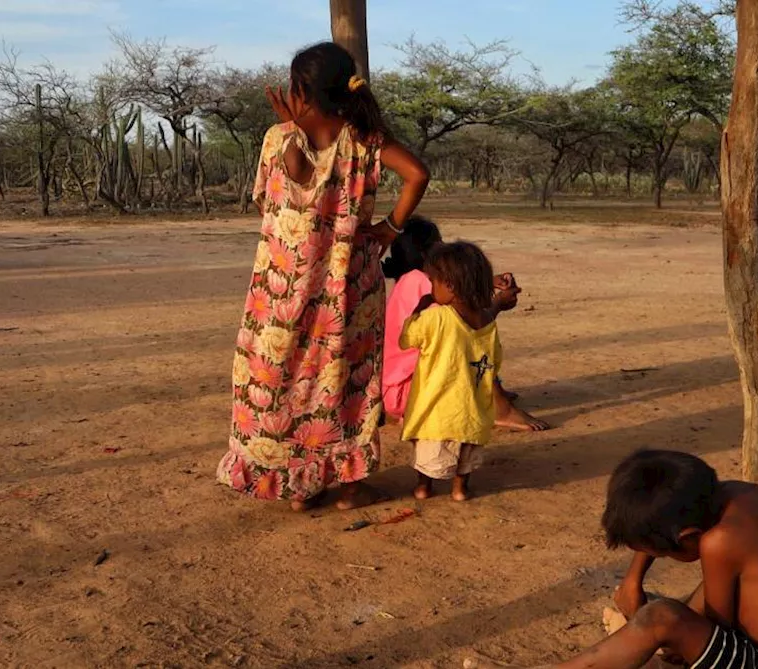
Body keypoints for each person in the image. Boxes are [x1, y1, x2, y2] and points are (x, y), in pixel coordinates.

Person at [218, 42, 430, 512]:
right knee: (345, 381)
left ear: (301, 91)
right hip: (348, 288)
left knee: (281, 379)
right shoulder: (365, 139)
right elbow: (417, 173)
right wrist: (391, 227)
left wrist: (292, 127)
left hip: (280, 293)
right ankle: (350, 487)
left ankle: (298, 483)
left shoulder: (278, 139)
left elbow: (268, 202)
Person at [466, 450, 758, 669]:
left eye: (658, 552)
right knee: (667, 613)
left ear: (686, 538)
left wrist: (669, 640)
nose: (652, 557)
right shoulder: (736, 495)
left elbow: (719, 629)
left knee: (661, 617)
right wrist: (633, 579)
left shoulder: (721, 543)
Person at [382, 216, 549, 432]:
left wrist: (488, 281)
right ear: (428, 253)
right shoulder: (419, 281)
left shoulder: (411, 281)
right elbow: (470, 323)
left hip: (401, 390)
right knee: (472, 339)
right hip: (410, 391)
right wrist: (497, 304)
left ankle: (487, 393)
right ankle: (499, 408)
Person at [399, 241, 505, 502]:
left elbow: (407, 338)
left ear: (450, 286)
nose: (431, 288)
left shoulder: (436, 317)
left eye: (433, 282)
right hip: (472, 410)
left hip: (437, 409)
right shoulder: (486, 321)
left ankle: (424, 487)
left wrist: (421, 307)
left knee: (429, 451)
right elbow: (496, 359)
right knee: (466, 451)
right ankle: (460, 490)